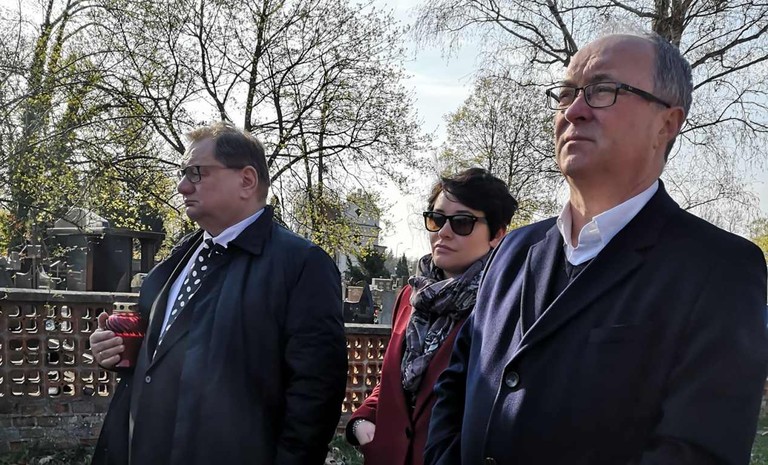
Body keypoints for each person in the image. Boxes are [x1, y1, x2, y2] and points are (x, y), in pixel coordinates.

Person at [425, 32, 768, 465]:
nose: (574, 110)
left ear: (667, 123)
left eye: (603, 90)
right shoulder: (513, 250)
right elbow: (456, 385)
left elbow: (696, 451)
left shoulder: (720, 270)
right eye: (567, 93)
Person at [89, 122, 347, 465]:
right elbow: (162, 354)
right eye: (183, 173)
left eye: (197, 173)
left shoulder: (301, 265)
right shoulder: (180, 257)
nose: (182, 186)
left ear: (247, 180)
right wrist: (116, 349)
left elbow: (316, 394)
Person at [346, 168, 519, 465]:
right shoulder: (410, 298)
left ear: (497, 234)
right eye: (436, 219)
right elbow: (394, 383)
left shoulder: (506, 308)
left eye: (462, 222)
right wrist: (363, 422)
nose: (443, 232)